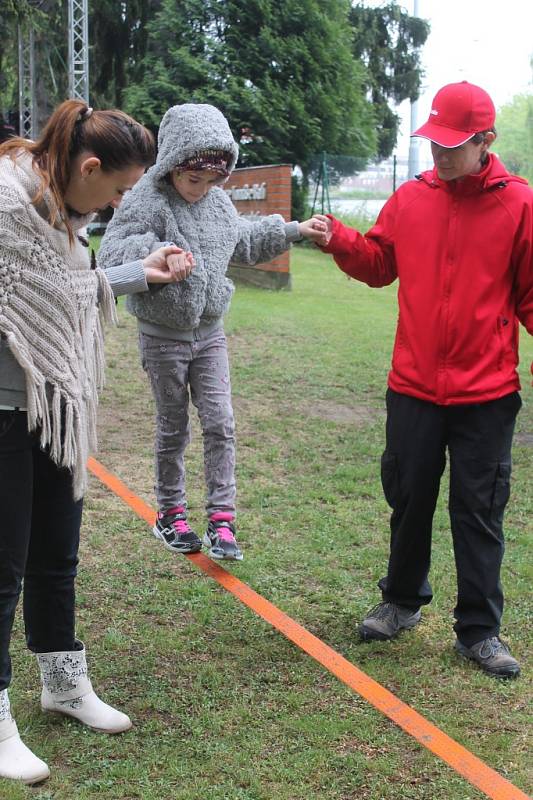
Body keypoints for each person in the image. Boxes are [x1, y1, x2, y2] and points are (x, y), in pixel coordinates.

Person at [304, 82, 532, 679]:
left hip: (486, 394)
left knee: (478, 510)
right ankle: (401, 602)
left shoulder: (520, 205)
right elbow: (380, 263)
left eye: (454, 145)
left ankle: (479, 631)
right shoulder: (411, 199)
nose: (441, 156)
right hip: (413, 388)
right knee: (408, 499)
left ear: (486, 141)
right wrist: (342, 241)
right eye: (434, 143)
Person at [0, 98, 193, 785]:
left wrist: (141, 273)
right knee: (2, 570)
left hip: (56, 403)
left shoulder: (61, 210)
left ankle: (63, 682)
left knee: (57, 553)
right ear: (87, 166)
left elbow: (67, 288)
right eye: (114, 190)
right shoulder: (6, 205)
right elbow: (43, 290)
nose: (114, 206)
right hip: (3, 408)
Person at [99, 103, 316, 562]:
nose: (201, 189)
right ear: (173, 164)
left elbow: (247, 238)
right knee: (174, 426)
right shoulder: (145, 198)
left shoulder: (217, 203)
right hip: (163, 336)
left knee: (221, 423)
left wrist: (297, 229)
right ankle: (171, 514)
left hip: (210, 333)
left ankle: (222, 520)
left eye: (213, 180)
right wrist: (160, 252)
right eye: (193, 179)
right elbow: (114, 251)